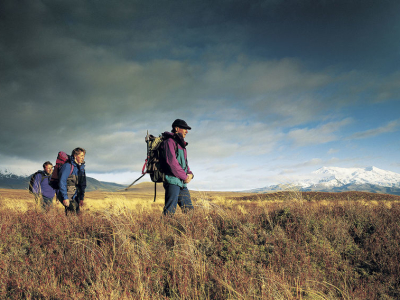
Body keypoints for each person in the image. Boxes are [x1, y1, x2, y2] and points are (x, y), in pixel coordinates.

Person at [161, 119, 194, 215]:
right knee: (170, 211)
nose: (187, 131)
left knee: (190, 211)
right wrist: (185, 177)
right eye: (184, 129)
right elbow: (172, 163)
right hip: (172, 181)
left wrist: (190, 174)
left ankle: (190, 229)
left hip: (182, 183)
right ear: (176, 128)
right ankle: (164, 229)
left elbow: (184, 164)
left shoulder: (181, 145)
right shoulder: (169, 142)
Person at [57, 147, 87, 215]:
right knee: (72, 214)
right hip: (68, 196)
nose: (83, 158)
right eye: (81, 155)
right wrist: (65, 198)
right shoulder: (67, 166)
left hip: (76, 196)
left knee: (76, 214)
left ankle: (72, 225)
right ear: (75, 155)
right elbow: (62, 182)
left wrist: (81, 198)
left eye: (84, 156)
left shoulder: (81, 169)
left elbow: (83, 184)